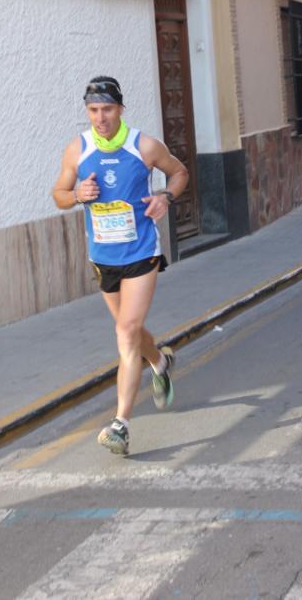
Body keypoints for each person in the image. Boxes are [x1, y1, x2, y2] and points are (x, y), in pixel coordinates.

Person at [52, 76, 189, 455]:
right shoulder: (77, 150)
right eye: (94, 110)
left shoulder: (143, 146)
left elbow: (179, 173)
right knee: (129, 329)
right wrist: (76, 194)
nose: (100, 118)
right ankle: (160, 361)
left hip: (141, 253)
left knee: (126, 332)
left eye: (107, 109)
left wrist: (164, 197)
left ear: (120, 109)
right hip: (104, 257)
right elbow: (58, 194)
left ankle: (121, 424)